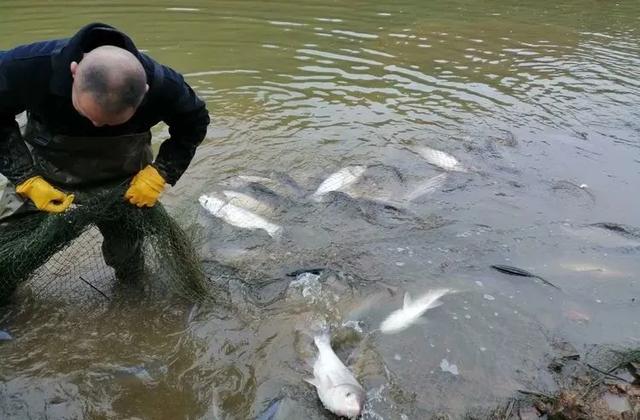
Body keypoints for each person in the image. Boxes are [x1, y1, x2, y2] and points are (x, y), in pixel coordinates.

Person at [0, 22, 210, 282]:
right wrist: (24, 177)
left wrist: (161, 172)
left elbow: (193, 123)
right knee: (8, 244)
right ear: (73, 72)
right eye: (87, 113)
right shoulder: (27, 67)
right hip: (43, 164)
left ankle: (130, 290)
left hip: (122, 175)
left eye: (109, 121)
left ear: (145, 93)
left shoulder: (164, 85)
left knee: (128, 248)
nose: (96, 125)